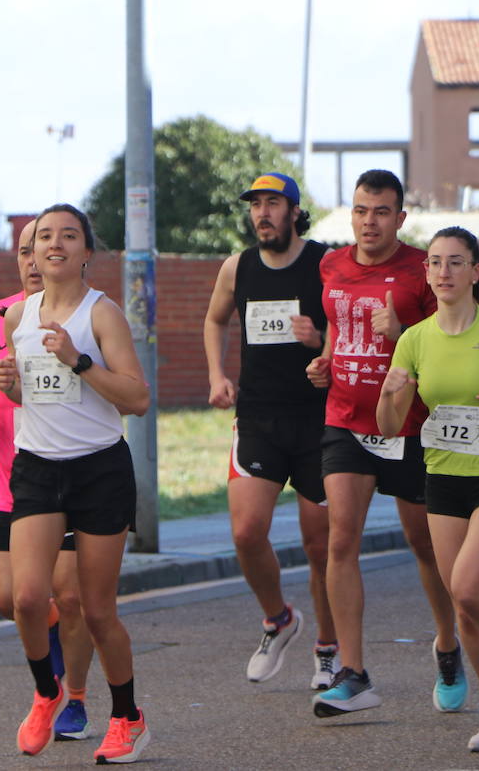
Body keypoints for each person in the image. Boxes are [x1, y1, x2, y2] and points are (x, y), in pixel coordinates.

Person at [0, 204, 152, 764]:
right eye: (42, 237)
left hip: (99, 470)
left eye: (68, 235)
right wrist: (10, 384)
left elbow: (137, 397)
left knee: (97, 609)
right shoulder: (18, 318)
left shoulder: (100, 314)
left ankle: (128, 717)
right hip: (37, 466)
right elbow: (26, 396)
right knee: (27, 598)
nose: (53, 244)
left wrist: (79, 360)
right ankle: (46, 690)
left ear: (87, 252)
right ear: (30, 253)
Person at [306, 170, 460, 717]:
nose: (369, 222)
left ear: (400, 217)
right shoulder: (332, 265)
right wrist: (324, 359)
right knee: (339, 540)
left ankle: (447, 642)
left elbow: (446, 343)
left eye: (381, 212)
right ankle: (353, 671)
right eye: (360, 211)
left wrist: (401, 336)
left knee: (425, 546)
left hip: (411, 427)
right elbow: (336, 329)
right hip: (346, 420)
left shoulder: (422, 270)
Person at [376, 226, 479, 752]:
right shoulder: (414, 338)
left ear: (474, 272)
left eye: (454, 262)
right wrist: (392, 392)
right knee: (462, 606)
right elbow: (390, 419)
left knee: (468, 586)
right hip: (442, 480)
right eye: (435, 263)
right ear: (427, 272)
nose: (443, 272)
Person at [0, 219, 95, 740]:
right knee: (10, 598)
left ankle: (74, 697)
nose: (34, 261)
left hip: (68, 475)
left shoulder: (87, 316)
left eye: (43, 248)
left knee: (71, 593)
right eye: (25, 251)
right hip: (8, 482)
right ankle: (54, 663)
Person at [202, 172, 337, 688]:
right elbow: (215, 320)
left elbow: (346, 325)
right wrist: (217, 375)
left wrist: (320, 339)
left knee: (319, 545)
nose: (262, 212)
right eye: (256, 204)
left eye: (273, 203)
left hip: (319, 421)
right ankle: (279, 618)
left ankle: (328, 648)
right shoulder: (238, 267)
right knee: (245, 531)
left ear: (294, 211)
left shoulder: (324, 263)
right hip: (258, 417)